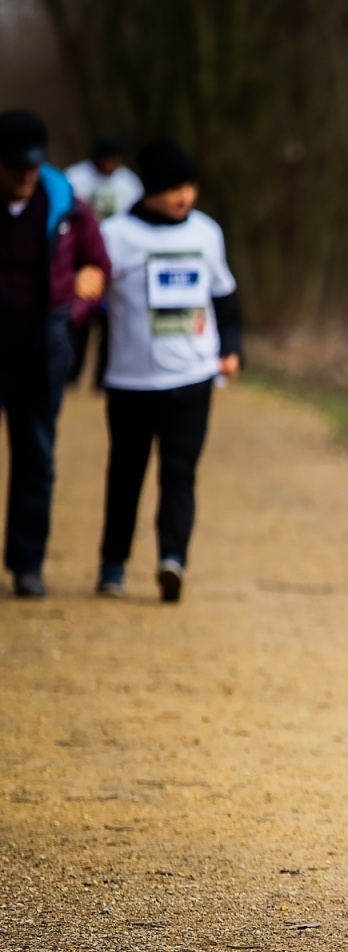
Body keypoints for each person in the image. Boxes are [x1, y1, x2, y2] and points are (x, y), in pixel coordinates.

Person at [96, 138, 241, 603]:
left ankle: (172, 560)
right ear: (150, 191)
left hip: (192, 377)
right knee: (126, 472)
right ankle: (112, 565)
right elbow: (91, 297)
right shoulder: (116, 236)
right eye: (174, 189)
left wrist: (231, 348)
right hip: (132, 379)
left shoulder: (206, 233)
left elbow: (224, 295)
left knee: (179, 472)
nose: (185, 198)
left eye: (190, 187)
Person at [0, 108, 109, 598]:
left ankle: (28, 564)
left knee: (36, 459)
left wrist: (75, 311)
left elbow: (97, 265)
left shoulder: (66, 205)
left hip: (41, 352)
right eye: (14, 166)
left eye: (32, 165)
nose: (25, 176)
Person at [65, 134, 142, 390]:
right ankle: (72, 373)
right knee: (82, 313)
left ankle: (102, 377)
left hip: (116, 258)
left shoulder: (130, 184)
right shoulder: (76, 178)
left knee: (110, 321)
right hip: (83, 257)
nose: (110, 165)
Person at [65, 134, 143, 221]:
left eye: (114, 161)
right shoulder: (75, 176)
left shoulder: (129, 181)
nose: (109, 166)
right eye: (106, 161)